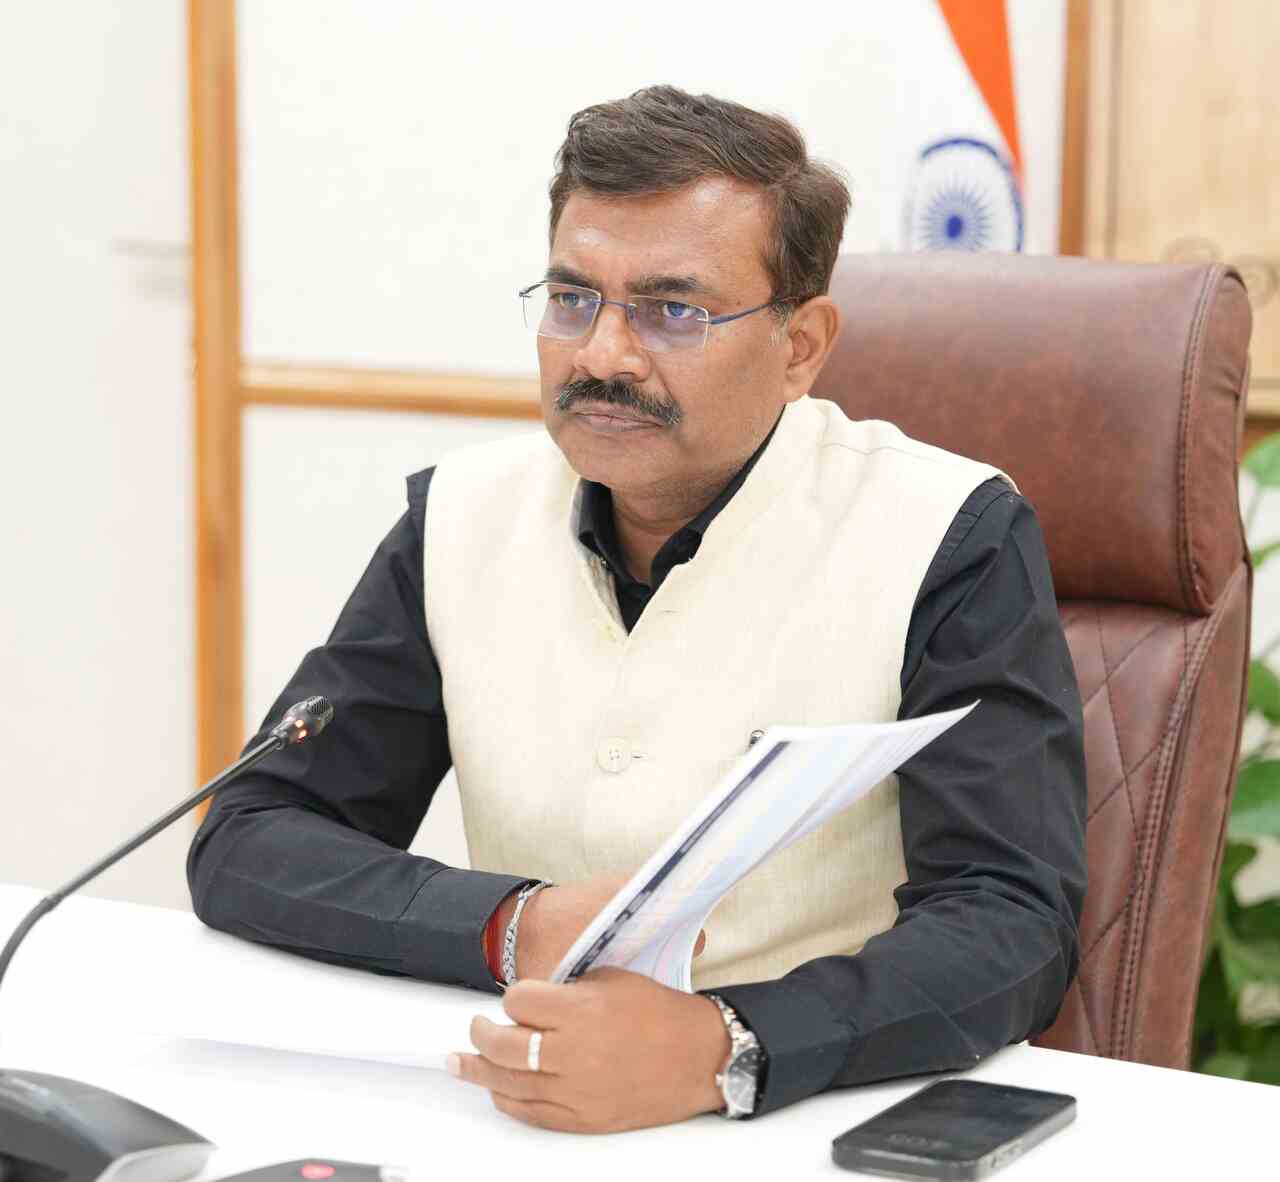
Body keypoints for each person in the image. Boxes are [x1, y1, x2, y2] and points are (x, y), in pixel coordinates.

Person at [188, 86, 1086, 1133]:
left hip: (825, 1116)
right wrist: (512, 926)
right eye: (573, 299)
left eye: (672, 311)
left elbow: (1009, 920)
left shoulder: (948, 535)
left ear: (800, 346)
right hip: (521, 1104)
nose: (602, 356)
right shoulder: (462, 516)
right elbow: (251, 835)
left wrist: (727, 1046)